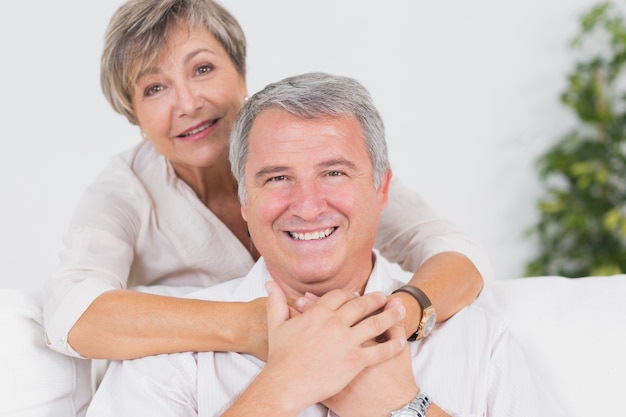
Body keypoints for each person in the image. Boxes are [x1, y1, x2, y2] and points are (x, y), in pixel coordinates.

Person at [87, 72, 565, 417]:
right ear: (245, 203)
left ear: (381, 189)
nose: (308, 206)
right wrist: (281, 389)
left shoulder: (479, 342)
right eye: (277, 178)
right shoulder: (169, 355)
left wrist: (402, 407)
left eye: (333, 173)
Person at [43, 0, 489, 362]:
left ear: (241, 75)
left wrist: (401, 314)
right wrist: (255, 326)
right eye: (154, 88)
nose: (189, 103)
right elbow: (71, 313)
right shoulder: (124, 191)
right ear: (133, 116)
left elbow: (456, 253)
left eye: (202, 69)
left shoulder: (303, 147)